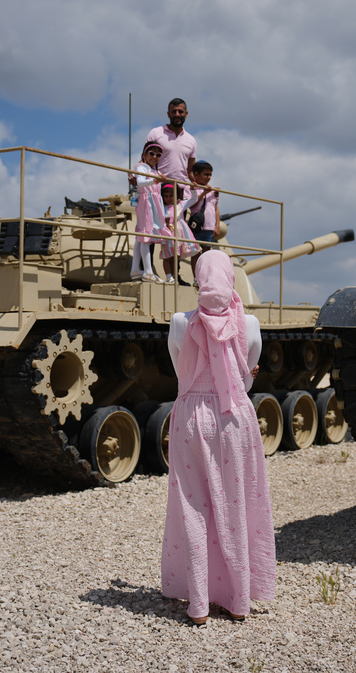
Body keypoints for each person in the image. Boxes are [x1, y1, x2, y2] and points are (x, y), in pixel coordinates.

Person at [160, 250, 277, 626]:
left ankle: (198, 606)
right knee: (237, 504)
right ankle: (239, 601)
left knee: (193, 507)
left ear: (198, 280)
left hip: (191, 417)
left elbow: (180, 372)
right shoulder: (252, 324)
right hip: (233, 417)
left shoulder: (180, 322)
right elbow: (245, 381)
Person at [131, 141, 166, 283]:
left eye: (158, 155)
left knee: (141, 237)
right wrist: (155, 181)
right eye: (151, 153)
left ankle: (135, 269)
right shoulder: (142, 167)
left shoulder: (154, 171)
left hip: (153, 203)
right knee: (146, 236)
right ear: (144, 155)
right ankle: (148, 272)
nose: (154, 157)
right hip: (146, 203)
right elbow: (140, 182)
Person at [146, 99, 196, 186]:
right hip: (158, 187)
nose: (177, 114)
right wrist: (135, 175)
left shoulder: (191, 140)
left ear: (186, 114)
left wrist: (204, 188)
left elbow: (190, 171)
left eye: (180, 111)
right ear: (168, 114)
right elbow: (145, 160)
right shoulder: (156, 133)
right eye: (174, 112)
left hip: (181, 191)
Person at [158, 183, 200, 284]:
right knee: (167, 256)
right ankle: (169, 277)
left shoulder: (180, 205)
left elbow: (194, 199)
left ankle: (189, 277)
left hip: (181, 232)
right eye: (166, 196)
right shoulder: (161, 207)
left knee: (180, 255)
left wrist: (192, 189)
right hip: (168, 233)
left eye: (171, 195)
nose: (169, 198)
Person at [184, 161, 220, 275]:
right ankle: (196, 277)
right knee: (195, 253)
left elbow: (215, 208)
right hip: (196, 226)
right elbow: (191, 205)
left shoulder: (212, 191)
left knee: (207, 254)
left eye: (210, 175)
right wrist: (203, 193)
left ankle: (205, 276)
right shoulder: (191, 188)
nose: (208, 177)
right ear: (196, 174)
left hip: (209, 226)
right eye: (206, 174)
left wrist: (217, 225)